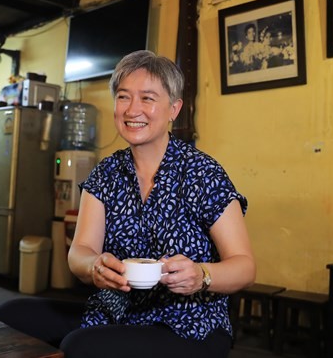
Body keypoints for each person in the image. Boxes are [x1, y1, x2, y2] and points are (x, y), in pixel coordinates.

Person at [61, 50, 256, 358]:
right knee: (13, 314)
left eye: (148, 98)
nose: (132, 109)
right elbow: (81, 251)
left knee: (78, 346)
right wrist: (93, 267)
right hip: (117, 311)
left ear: (173, 109)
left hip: (190, 323)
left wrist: (202, 275)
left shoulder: (201, 172)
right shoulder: (106, 174)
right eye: (123, 97)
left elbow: (244, 266)